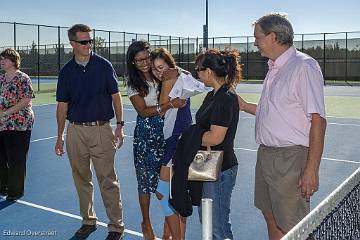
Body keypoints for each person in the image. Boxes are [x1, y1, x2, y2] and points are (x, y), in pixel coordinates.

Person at [238, 13, 327, 240]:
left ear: (273, 37)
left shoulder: (304, 66)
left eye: (257, 37)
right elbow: (276, 111)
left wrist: (311, 170)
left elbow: (318, 119)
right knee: (270, 216)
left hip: (290, 159)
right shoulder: (274, 67)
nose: (255, 42)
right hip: (266, 154)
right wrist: (244, 105)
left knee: (294, 227)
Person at [55, 24, 125, 240]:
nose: (89, 45)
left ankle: (116, 226)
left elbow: (116, 96)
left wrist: (120, 125)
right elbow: (62, 106)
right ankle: (88, 220)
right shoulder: (66, 71)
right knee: (81, 178)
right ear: (73, 44)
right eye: (84, 42)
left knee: (108, 179)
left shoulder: (103, 66)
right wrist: (60, 136)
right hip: (75, 131)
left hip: (101, 130)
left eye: (90, 41)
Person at [126, 41, 186, 240]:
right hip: (146, 135)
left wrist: (175, 69)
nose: (144, 63)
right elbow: (142, 112)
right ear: (132, 62)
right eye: (139, 60)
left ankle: (168, 230)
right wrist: (169, 105)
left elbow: (181, 74)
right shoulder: (133, 83)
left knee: (166, 184)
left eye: (146, 58)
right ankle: (146, 222)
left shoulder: (160, 73)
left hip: (166, 132)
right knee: (145, 184)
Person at [151, 48, 208, 240]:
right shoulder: (179, 78)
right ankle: (170, 235)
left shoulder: (172, 80)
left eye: (162, 67)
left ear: (170, 66)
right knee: (175, 194)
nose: (159, 72)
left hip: (176, 141)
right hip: (174, 140)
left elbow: (161, 109)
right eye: (155, 69)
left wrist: (172, 76)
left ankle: (176, 237)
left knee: (163, 192)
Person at [0, 48, 34, 201]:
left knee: (16, 158)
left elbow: (26, 100)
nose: (1, 61)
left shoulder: (23, 78)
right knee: (2, 157)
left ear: (13, 61)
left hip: (20, 123)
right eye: (1, 59)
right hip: (2, 124)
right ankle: (3, 187)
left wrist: (6, 113)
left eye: (4, 59)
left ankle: (15, 191)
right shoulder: (1, 79)